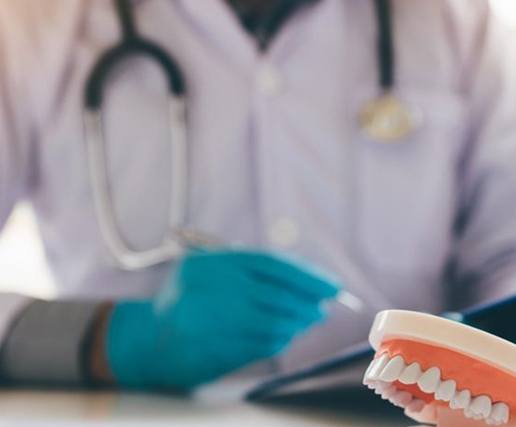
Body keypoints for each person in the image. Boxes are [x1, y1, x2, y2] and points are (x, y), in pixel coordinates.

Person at [0, 0, 515, 391]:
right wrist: (107, 339)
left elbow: (506, 258)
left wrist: (490, 340)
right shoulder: (34, 26)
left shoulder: (457, 21)